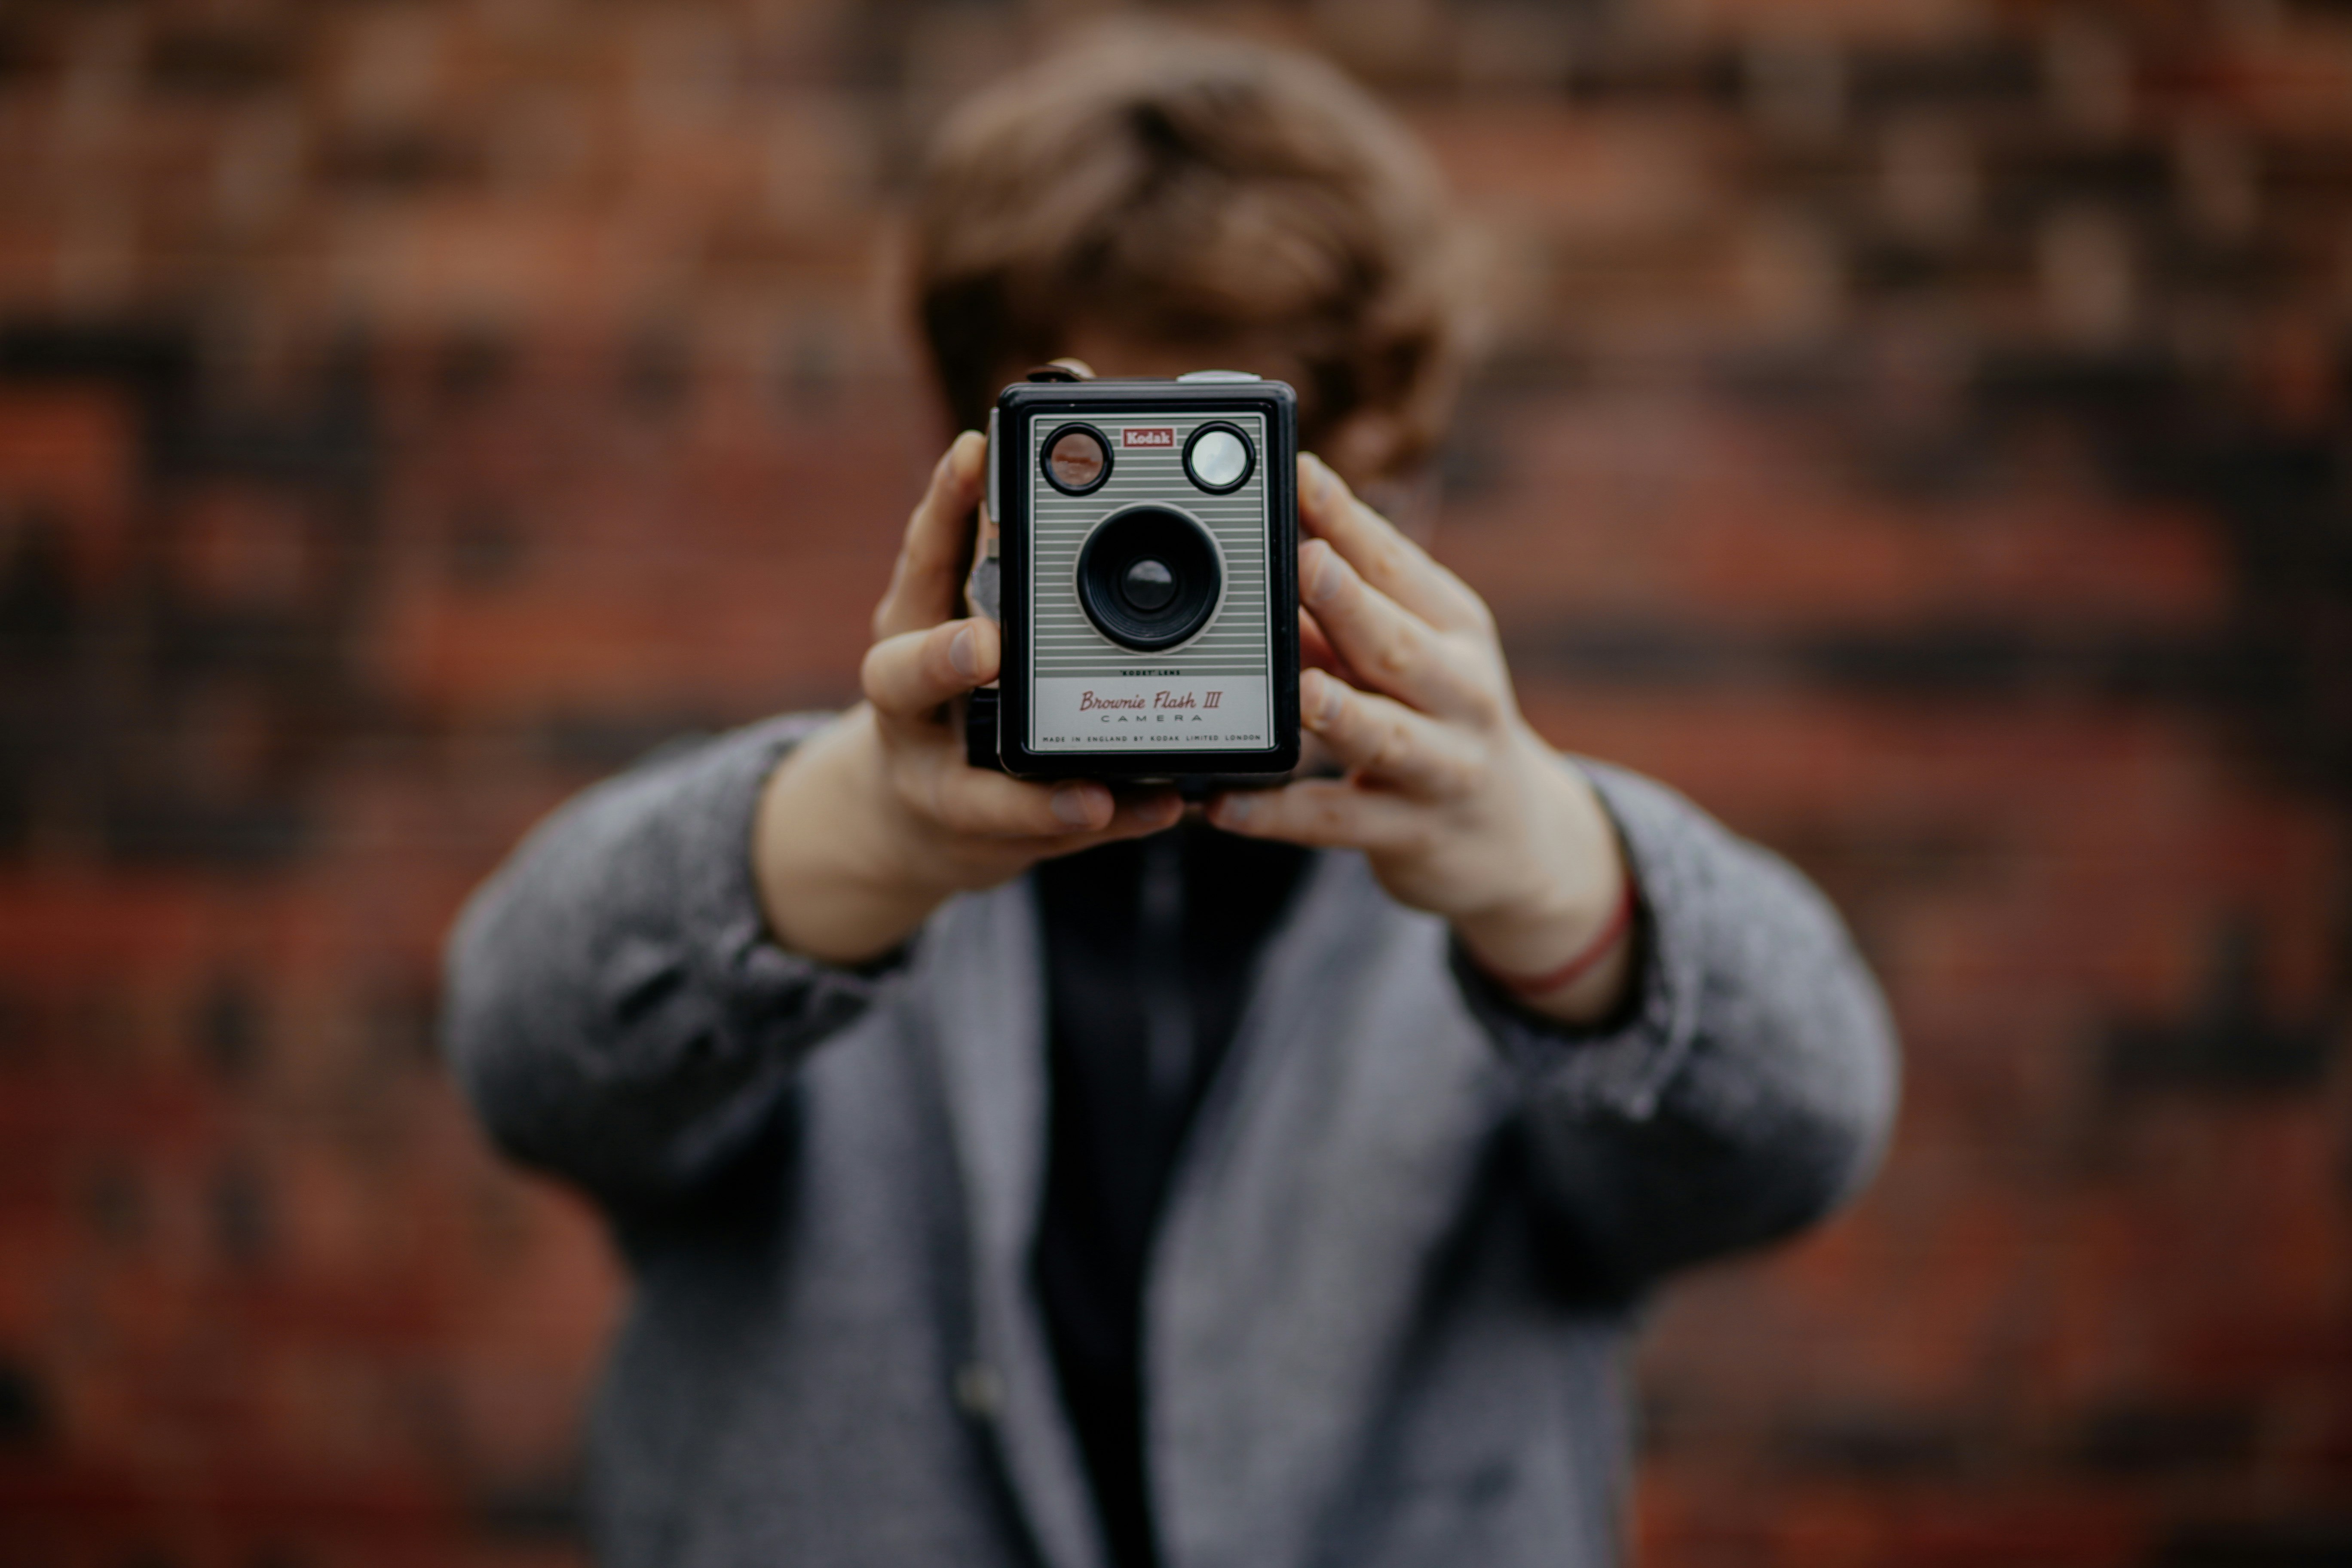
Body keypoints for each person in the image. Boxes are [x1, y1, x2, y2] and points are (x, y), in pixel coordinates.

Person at [442, 28, 1898, 1568]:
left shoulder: (1485, 850)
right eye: (1112, 482)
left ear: (1405, 496)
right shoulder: (846, 826)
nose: (1175, 575)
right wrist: (854, 838)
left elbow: (1802, 1137)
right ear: (976, 468)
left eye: (1254, 488)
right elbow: (525, 1052)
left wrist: (1557, 886)